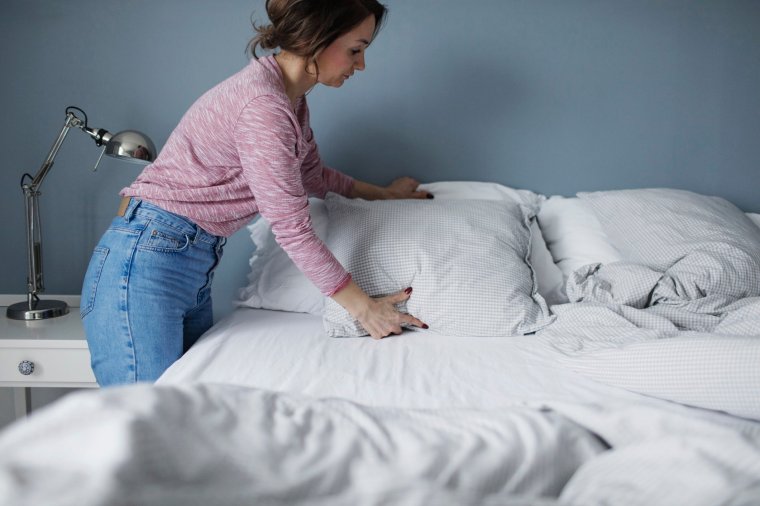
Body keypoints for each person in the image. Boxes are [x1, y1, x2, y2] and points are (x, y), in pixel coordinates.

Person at [80, 0, 431, 387]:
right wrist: (365, 310)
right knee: (142, 422)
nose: (360, 65)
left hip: (181, 257)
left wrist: (384, 194)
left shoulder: (289, 102)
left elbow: (313, 176)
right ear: (317, 38)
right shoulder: (264, 107)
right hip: (148, 257)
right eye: (355, 49)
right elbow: (291, 228)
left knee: (179, 417)